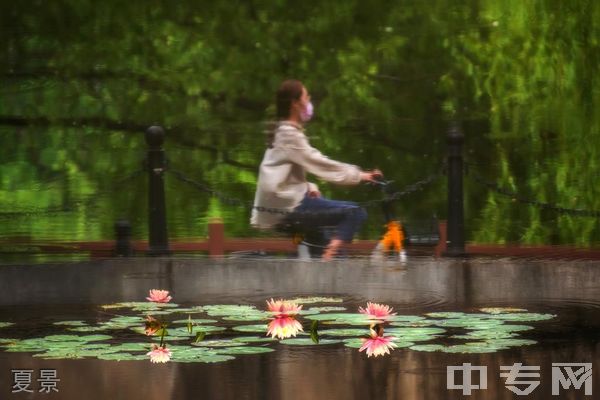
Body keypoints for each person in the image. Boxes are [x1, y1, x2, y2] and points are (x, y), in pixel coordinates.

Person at [250, 79, 381, 260]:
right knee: (355, 213)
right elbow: (320, 164)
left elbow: (282, 176)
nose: (309, 101)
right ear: (295, 103)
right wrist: (360, 175)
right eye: (306, 97)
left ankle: (313, 266)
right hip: (291, 208)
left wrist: (310, 187)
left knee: (326, 249)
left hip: (282, 209)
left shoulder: (283, 132)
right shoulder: (289, 134)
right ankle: (330, 254)